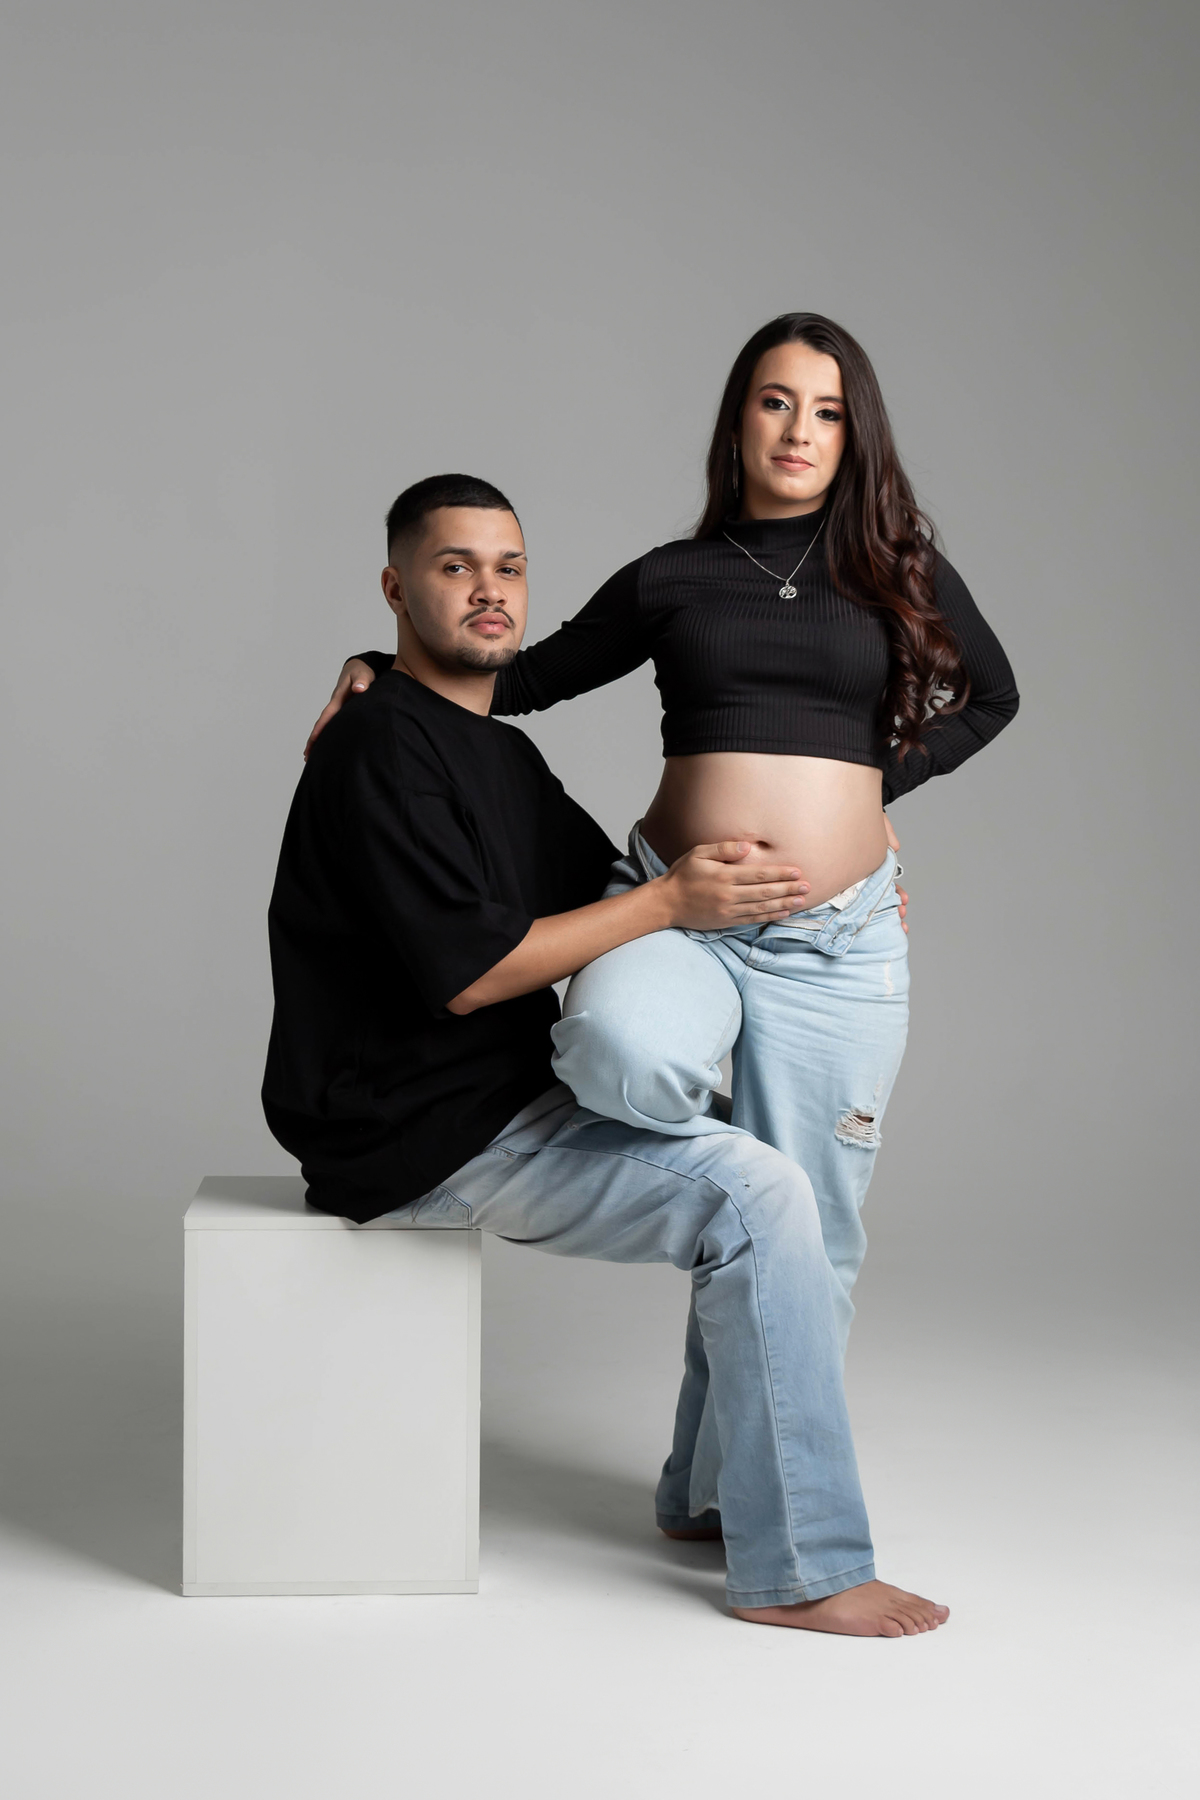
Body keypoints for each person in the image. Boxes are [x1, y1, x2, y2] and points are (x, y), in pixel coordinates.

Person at [265, 471, 949, 1636]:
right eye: (454, 567)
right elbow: (479, 972)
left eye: (509, 568)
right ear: (395, 587)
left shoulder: (494, 753)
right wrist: (674, 898)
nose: (489, 590)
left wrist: (845, 879)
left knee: (771, 1180)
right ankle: (802, 1569)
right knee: (761, 1199)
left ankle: (703, 1498)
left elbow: (615, 892)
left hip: (500, 1099)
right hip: (421, 1131)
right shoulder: (381, 749)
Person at [312, 313, 1018, 1356]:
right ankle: (760, 1151)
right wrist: (381, 663)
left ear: (854, 435)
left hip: (835, 942)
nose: (799, 431)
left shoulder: (898, 568)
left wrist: (866, 800)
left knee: (812, 1238)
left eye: (828, 413)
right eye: (776, 403)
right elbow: (512, 677)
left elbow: (992, 697)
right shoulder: (671, 577)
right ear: (737, 422)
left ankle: (726, 1454)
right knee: (617, 1055)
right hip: (678, 916)